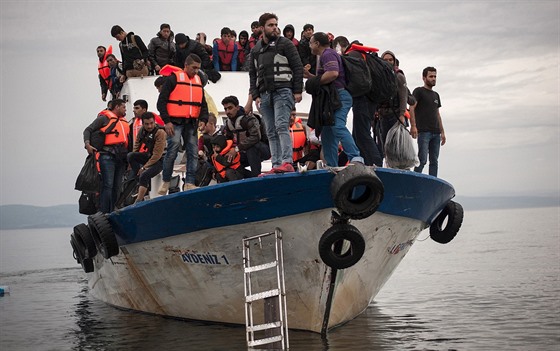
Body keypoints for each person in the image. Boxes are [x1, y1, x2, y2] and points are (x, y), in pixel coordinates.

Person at [249, 12, 303, 173]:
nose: (275, 28)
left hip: (283, 91)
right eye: (270, 25)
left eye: (276, 25)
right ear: (261, 28)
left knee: (281, 125)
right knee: (271, 130)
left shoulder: (285, 44)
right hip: (264, 94)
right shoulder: (255, 50)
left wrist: (298, 90)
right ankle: (276, 164)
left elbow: (297, 66)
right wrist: (255, 95)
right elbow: (253, 74)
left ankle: (287, 161)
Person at [304, 32, 363, 167]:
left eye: (311, 43)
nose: (310, 46)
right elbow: (327, 77)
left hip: (339, 97)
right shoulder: (325, 55)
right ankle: (331, 165)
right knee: (327, 132)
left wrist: (315, 81)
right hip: (332, 98)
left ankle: (356, 158)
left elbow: (333, 73)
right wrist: (311, 77)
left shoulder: (327, 54)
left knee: (337, 125)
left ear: (317, 43)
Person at [157, 54, 209, 194]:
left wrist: (203, 120)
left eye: (198, 68)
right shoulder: (173, 79)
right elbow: (161, 102)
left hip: (191, 123)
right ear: (186, 66)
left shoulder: (198, 81)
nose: (196, 71)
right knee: (173, 149)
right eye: (194, 68)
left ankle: (190, 183)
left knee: (193, 152)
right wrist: (167, 121)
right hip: (174, 122)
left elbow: (203, 105)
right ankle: (166, 180)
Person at [333, 36, 383, 167]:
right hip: (369, 99)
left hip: (363, 99)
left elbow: (358, 81)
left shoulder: (352, 55)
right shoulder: (362, 55)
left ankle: (376, 163)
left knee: (362, 133)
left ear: (339, 46)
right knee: (357, 134)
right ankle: (345, 162)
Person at [83, 99, 130, 213]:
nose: (125, 110)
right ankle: (104, 212)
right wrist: (87, 144)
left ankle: (113, 209)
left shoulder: (124, 122)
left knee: (117, 186)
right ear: (117, 107)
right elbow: (88, 130)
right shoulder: (104, 119)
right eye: (123, 107)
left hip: (121, 157)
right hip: (107, 156)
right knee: (108, 185)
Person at [222, 95, 271, 177]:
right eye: (225, 109)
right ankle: (247, 177)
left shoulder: (249, 119)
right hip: (243, 153)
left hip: (263, 150)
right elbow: (228, 140)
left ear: (237, 107)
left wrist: (236, 149)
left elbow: (255, 137)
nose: (227, 111)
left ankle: (256, 177)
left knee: (251, 147)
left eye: (230, 108)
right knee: (227, 160)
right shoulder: (228, 124)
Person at [410, 67, 446, 177]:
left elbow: (437, 114)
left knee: (434, 161)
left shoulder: (436, 95)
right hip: (424, 131)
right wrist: (413, 126)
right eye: (431, 76)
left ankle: (432, 182)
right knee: (422, 159)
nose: (433, 79)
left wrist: (443, 132)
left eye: (435, 76)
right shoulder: (419, 91)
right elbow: (411, 108)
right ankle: (415, 179)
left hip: (436, 132)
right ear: (424, 77)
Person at [127, 112, 167, 203]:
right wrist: (131, 164)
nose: (149, 126)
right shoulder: (142, 131)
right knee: (131, 156)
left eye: (151, 123)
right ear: (143, 123)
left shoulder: (160, 132)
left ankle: (138, 201)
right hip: (149, 156)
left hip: (161, 160)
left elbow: (157, 155)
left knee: (144, 175)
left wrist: (144, 167)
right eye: (147, 124)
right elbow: (137, 146)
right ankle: (140, 183)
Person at [378, 50, 411, 147]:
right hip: (383, 115)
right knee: (386, 144)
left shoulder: (399, 76)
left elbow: (403, 96)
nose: (388, 62)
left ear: (394, 61)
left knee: (398, 144)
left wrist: (402, 114)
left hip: (396, 115)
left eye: (390, 60)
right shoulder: (379, 77)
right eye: (385, 60)